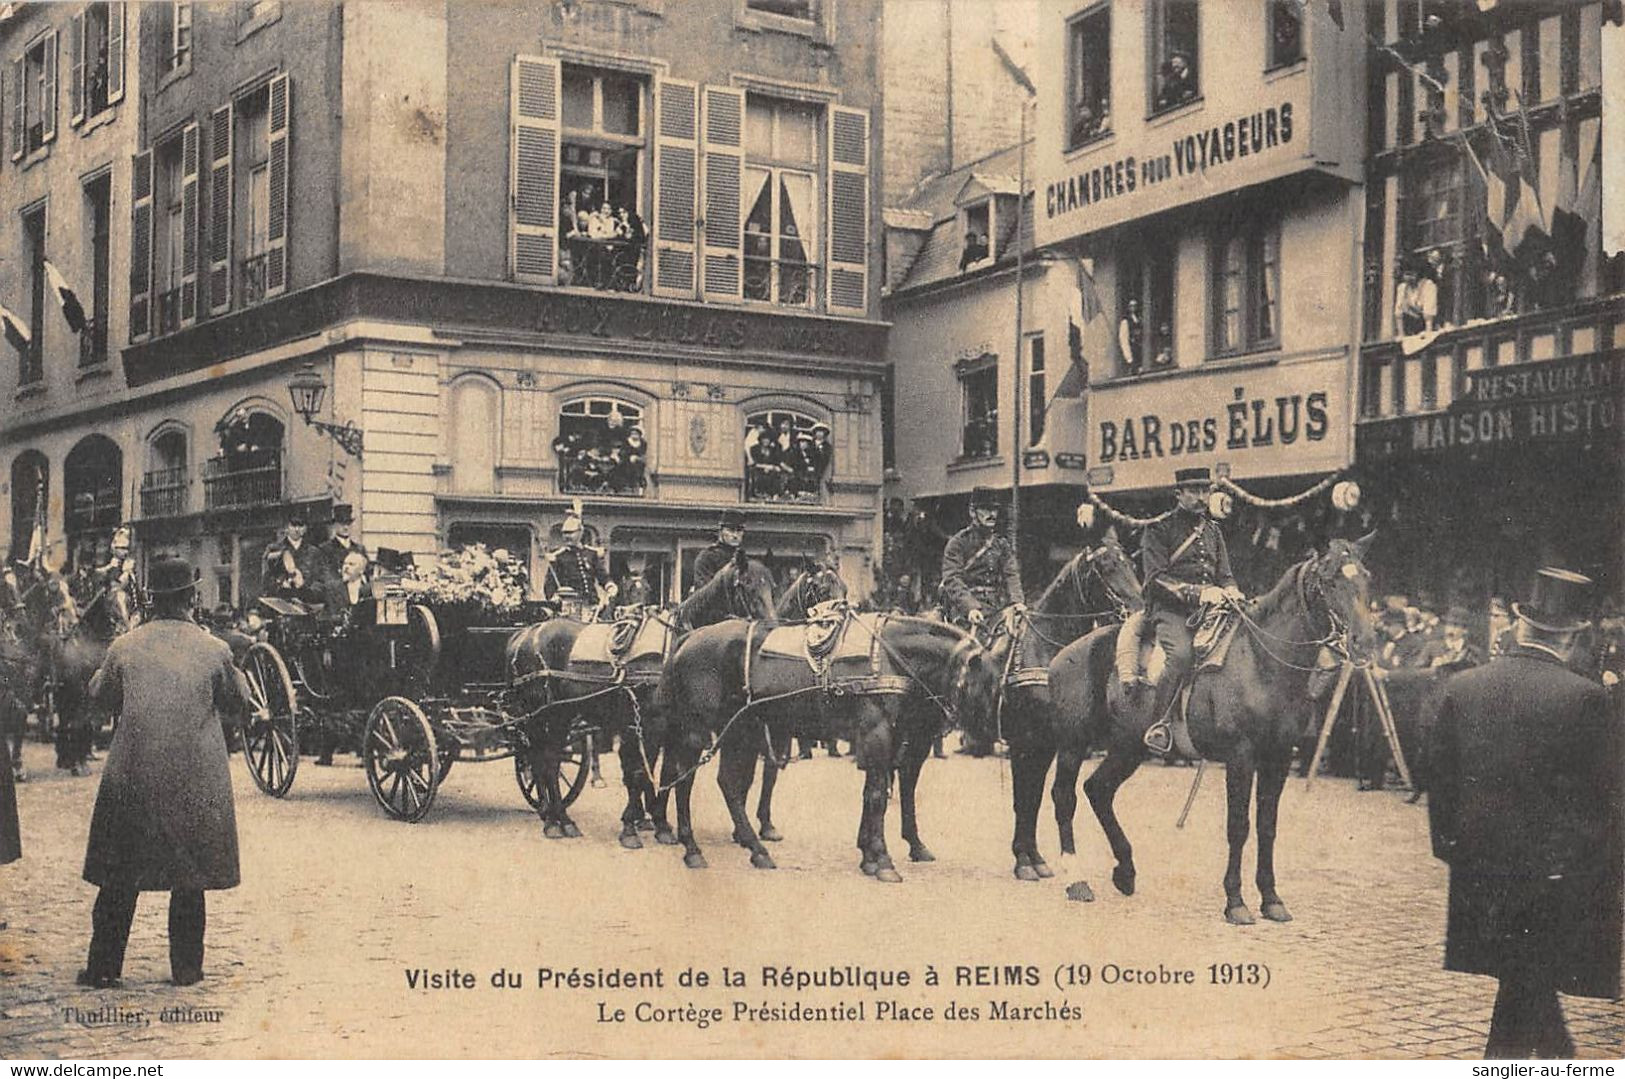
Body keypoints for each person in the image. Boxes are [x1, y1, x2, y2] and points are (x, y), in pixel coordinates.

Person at [1427, 567, 1622, 1058]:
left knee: (1521, 983)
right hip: (1552, 880)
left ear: (1520, 624)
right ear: (1574, 636)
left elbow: (1441, 785)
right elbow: (1604, 801)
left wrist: (1454, 848)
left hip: (1480, 874)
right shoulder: (1585, 698)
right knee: (1528, 982)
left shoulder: (1463, 687)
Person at [77, 557, 250, 989]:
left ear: (151, 600)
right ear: (192, 597)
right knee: (188, 880)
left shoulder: (125, 646)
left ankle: (103, 967)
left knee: (120, 876)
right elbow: (238, 704)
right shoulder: (214, 649)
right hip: (196, 781)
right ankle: (187, 970)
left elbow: (98, 697)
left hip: (131, 777)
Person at [1116, 467, 1242, 717]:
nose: (1201, 498)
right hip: (1170, 612)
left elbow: (1225, 574)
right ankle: (1159, 723)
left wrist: (1232, 590)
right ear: (1178, 494)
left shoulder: (1213, 531)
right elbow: (1155, 580)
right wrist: (1199, 593)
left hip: (1212, 611)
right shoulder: (1158, 529)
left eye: (1206, 491)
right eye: (1194, 491)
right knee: (1182, 657)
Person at [938, 488, 1024, 637]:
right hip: (965, 610)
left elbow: (1011, 574)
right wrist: (970, 607)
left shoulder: (1001, 544)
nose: (992, 514)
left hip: (997, 607)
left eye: (995, 510)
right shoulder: (959, 543)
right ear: (973, 512)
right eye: (986, 509)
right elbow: (952, 579)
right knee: (970, 651)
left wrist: (1017, 601)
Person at [542, 504, 616, 615]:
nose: (567, 536)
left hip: (592, 605)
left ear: (580, 532)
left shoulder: (591, 554)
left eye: (571, 533)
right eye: (565, 533)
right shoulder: (558, 557)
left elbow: (602, 576)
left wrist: (609, 586)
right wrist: (554, 597)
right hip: (569, 607)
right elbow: (549, 585)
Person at [262, 508, 321, 603]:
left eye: (301, 525)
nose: (297, 529)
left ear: (305, 529)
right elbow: (266, 578)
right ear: (286, 527)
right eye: (293, 525)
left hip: (305, 604)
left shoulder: (314, 552)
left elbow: (319, 582)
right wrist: (280, 583)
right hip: (281, 602)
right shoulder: (273, 549)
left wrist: (304, 588)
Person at [693, 509, 747, 595]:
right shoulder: (706, 557)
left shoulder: (743, 558)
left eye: (739, 530)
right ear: (721, 531)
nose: (735, 535)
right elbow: (703, 593)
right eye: (731, 530)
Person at [1394, 257, 1439, 335]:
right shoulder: (1402, 287)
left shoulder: (1428, 285)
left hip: (1429, 326)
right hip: (1410, 328)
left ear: (1418, 274)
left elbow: (1429, 314)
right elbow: (1399, 313)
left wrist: (1428, 333)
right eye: (1406, 274)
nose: (1408, 278)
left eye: (1411, 274)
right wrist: (1401, 335)